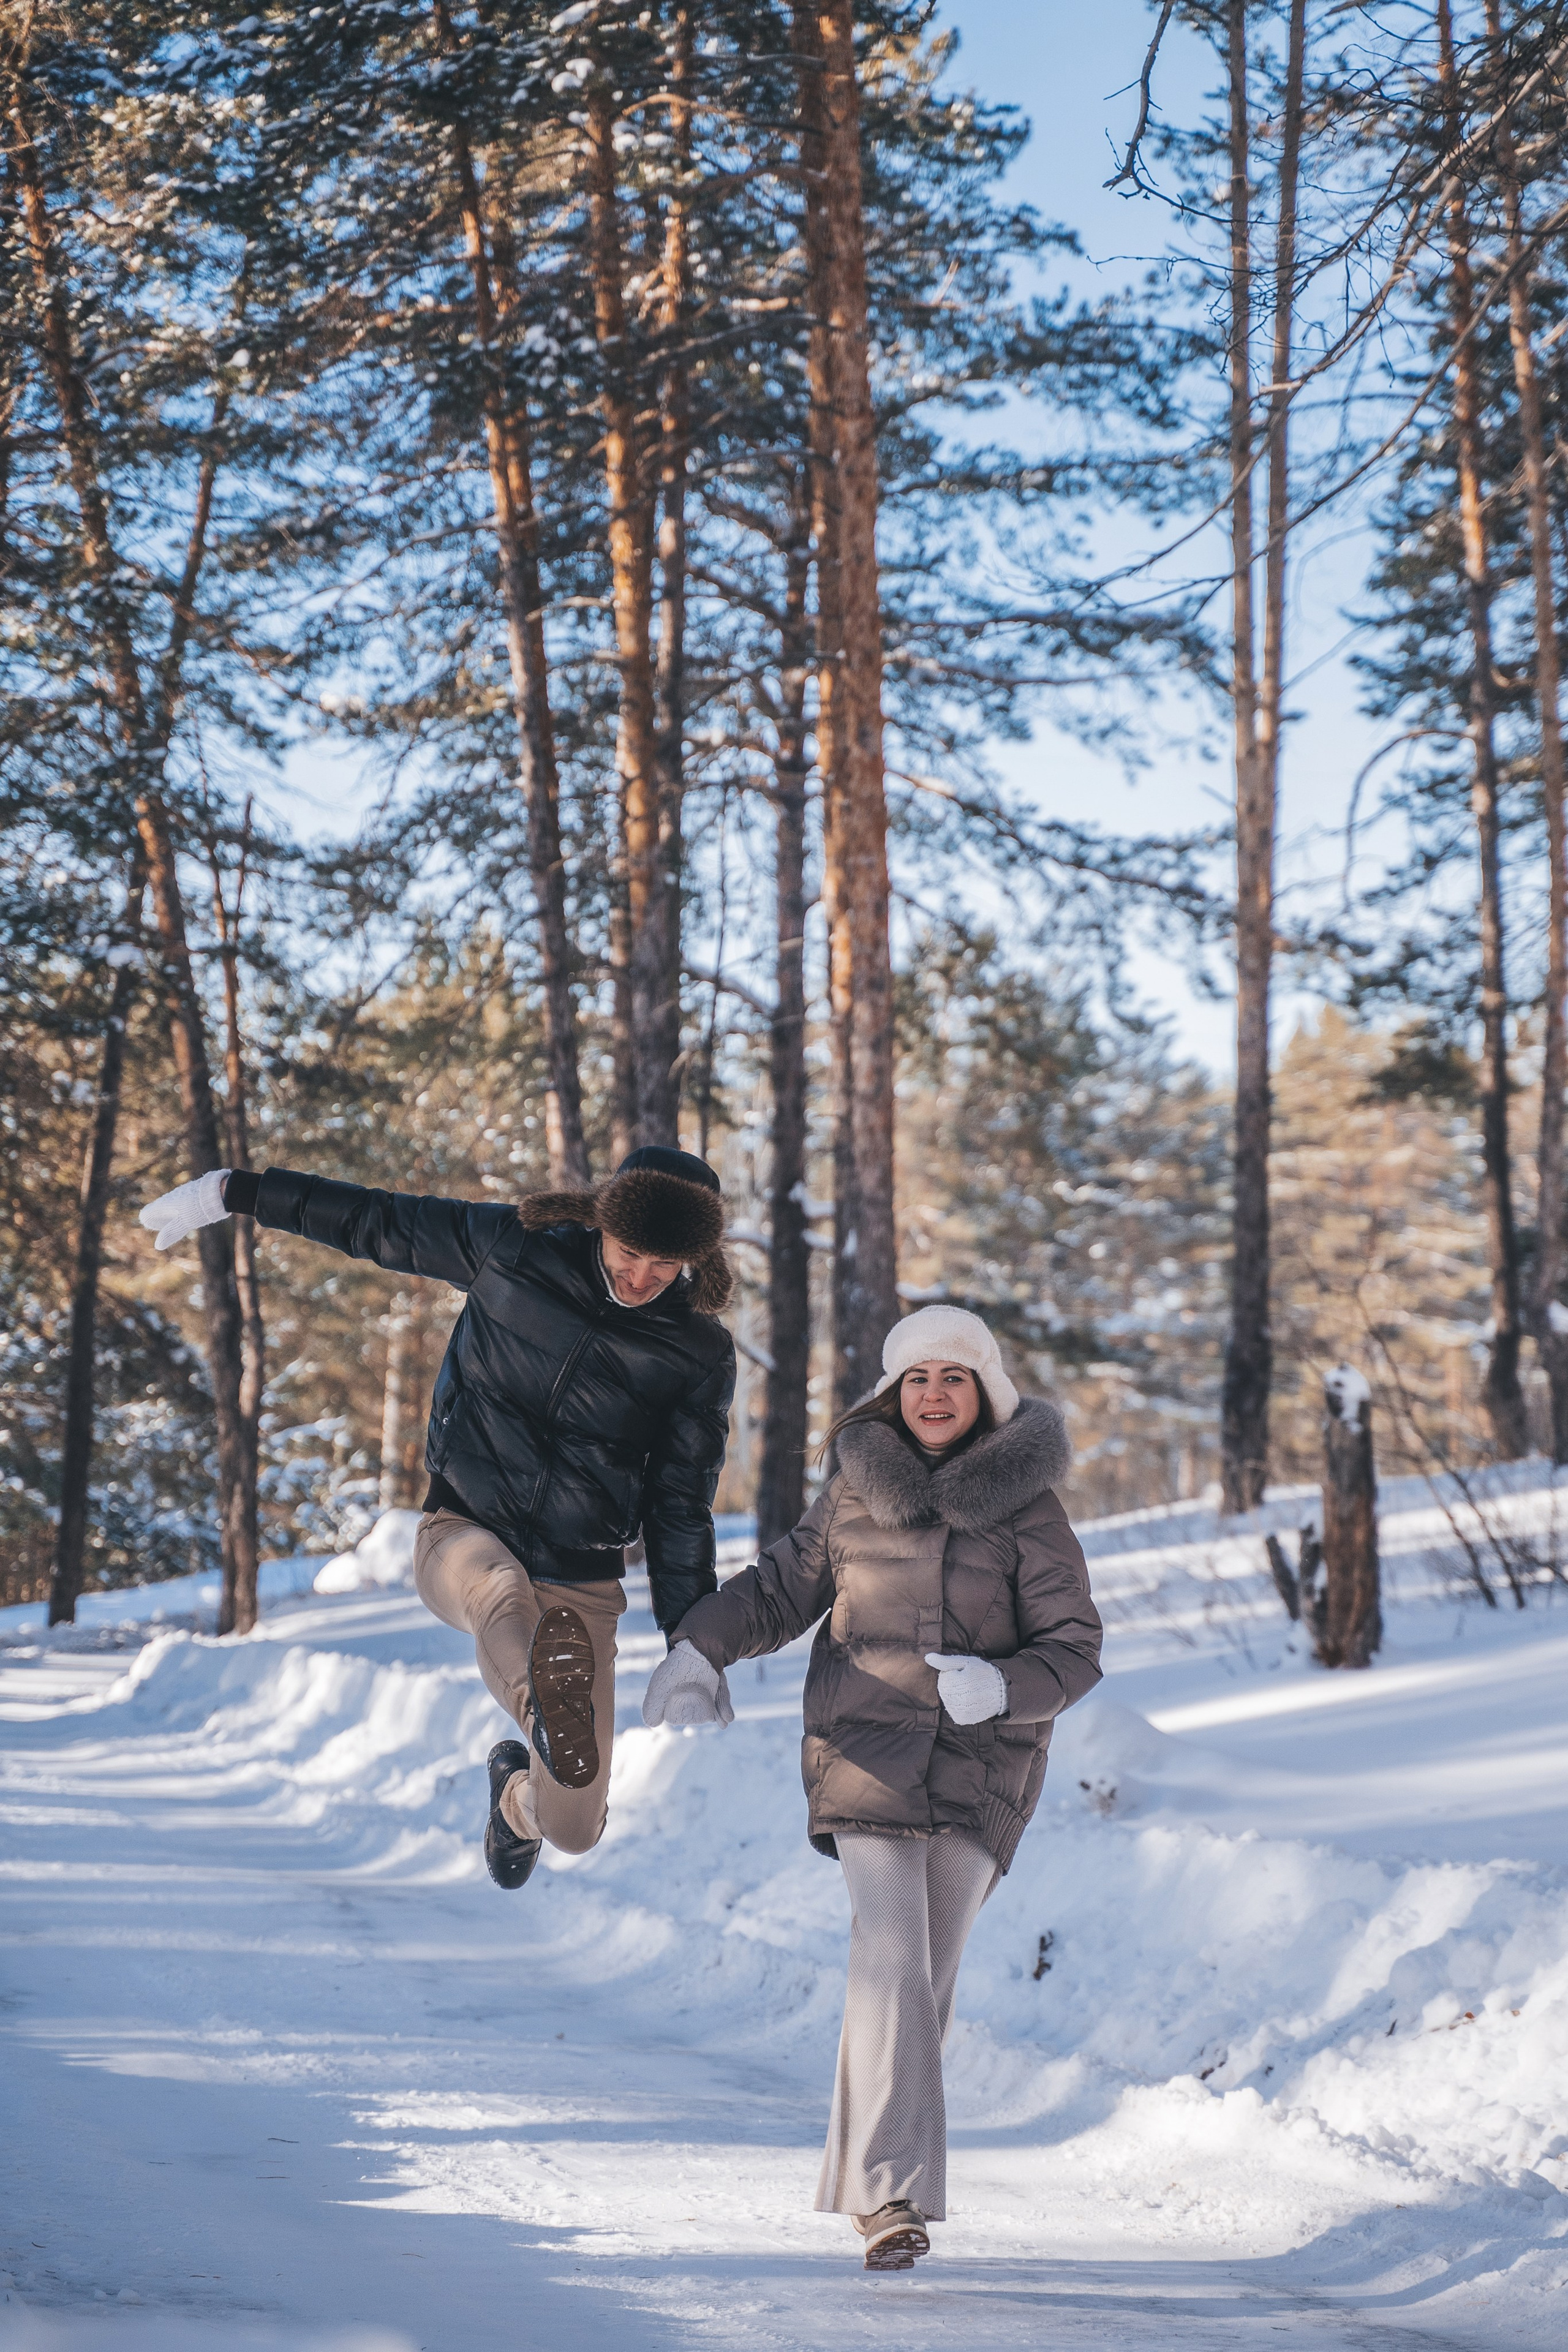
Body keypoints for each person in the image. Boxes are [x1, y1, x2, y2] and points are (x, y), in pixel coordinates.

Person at [643, 1303, 1101, 2272]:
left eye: (955, 1379)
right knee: (893, 1952)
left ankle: (866, 2183)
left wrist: (1006, 1688)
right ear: (893, 1395)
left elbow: (1076, 1647)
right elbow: (778, 1590)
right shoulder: (855, 1490)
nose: (934, 1396)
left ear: (985, 1395)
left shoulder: (1030, 1508)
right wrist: (697, 1650)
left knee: (923, 1980)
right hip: (865, 1752)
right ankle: (894, 2200)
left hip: (985, 1764)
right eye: (917, 1380)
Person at [140, 1147, 736, 1888]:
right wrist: (237, 1191)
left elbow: (680, 1503)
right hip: (464, 1530)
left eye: (667, 1264)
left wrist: (692, 1642)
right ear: (602, 1224)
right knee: (499, 1593)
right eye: (631, 1251)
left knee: (575, 1828)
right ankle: (546, 1709)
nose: (643, 1276)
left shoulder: (698, 1351)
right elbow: (377, 1220)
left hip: (580, 1577)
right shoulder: (513, 1248)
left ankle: (514, 1800)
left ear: (695, 1260)